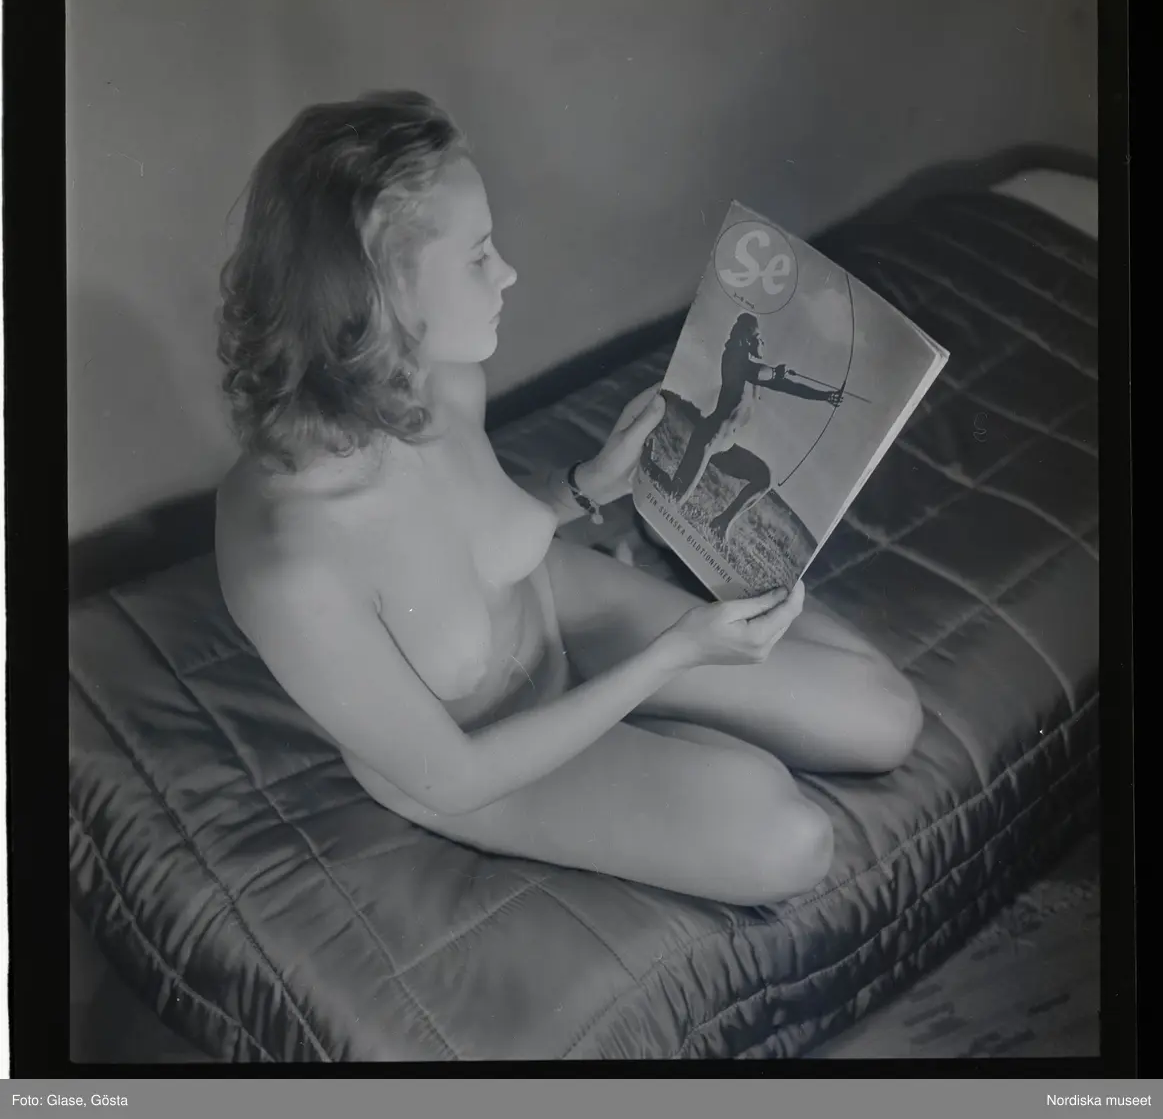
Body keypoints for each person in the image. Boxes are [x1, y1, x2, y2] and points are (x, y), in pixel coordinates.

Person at [214, 91, 922, 907]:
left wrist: (587, 484)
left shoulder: (439, 382)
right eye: (478, 256)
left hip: (553, 607)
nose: (506, 273)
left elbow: (467, 541)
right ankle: (672, 717)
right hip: (484, 760)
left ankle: (668, 684)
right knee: (788, 839)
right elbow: (454, 777)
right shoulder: (290, 562)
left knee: (886, 719)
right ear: (379, 294)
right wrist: (673, 656)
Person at [655, 314, 843, 544]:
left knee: (764, 477)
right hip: (709, 438)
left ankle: (721, 523)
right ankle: (653, 466)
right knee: (675, 498)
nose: (762, 342)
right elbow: (755, 372)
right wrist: (776, 372)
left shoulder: (756, 373)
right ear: (746, 339)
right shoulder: (734, 357)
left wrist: (825, 396)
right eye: (759, 337)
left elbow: (790, 387)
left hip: (726, 446)